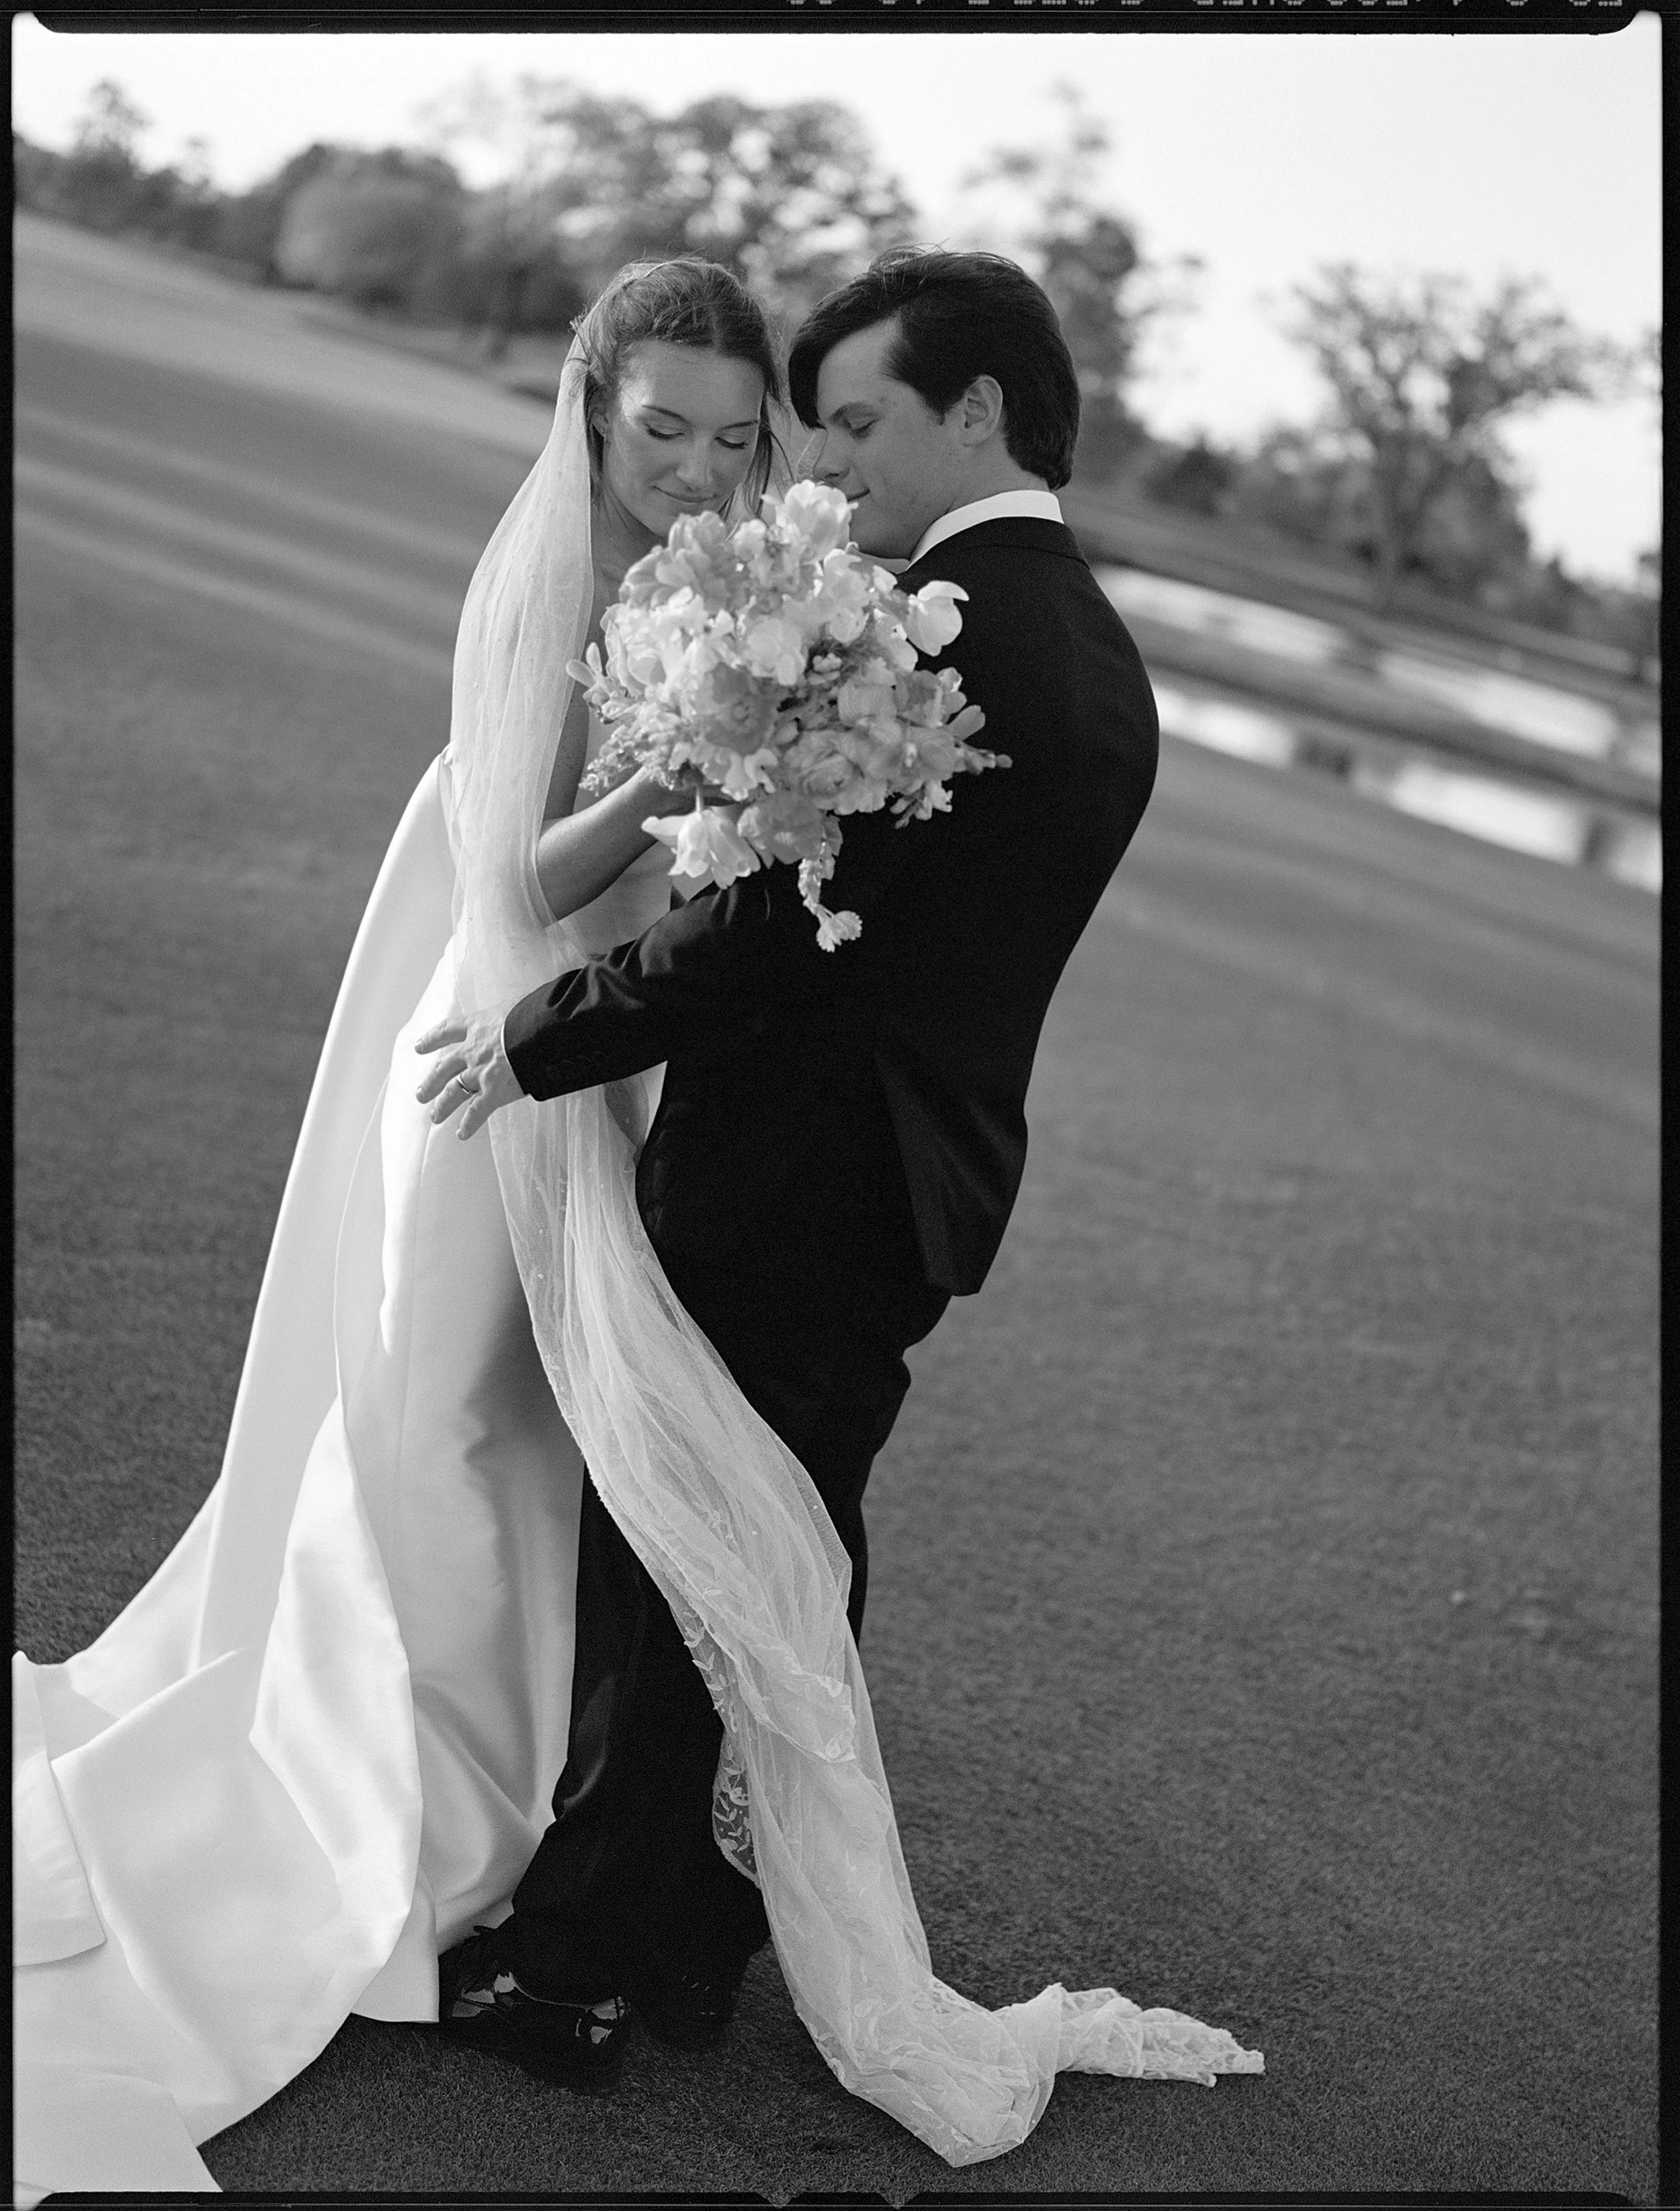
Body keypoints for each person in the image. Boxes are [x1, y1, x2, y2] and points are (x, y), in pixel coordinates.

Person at [417, 249, 1261, 2156]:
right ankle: (691, 1925)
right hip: (898, 1186)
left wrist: (541, 1041)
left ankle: (573, 1975)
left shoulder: (953, 627)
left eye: (858, 418)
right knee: (768, 1551)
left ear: (974, 411)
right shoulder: (1084, 643)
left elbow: (776, 950)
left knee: (684, 1566)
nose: (830, 462)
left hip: (796, 1177)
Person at [12, 258, 789, 2204]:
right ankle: (406, 1816)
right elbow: (511, 864)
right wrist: (680, 774)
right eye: (661, 427)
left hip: (595, 1059)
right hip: (482, 1051)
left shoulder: (731, 591)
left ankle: (502, 1807)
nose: (696, 465)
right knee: (441, 1414)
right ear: (594, 413)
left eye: (734, 431)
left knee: (526, 1429)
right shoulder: (549, 579)